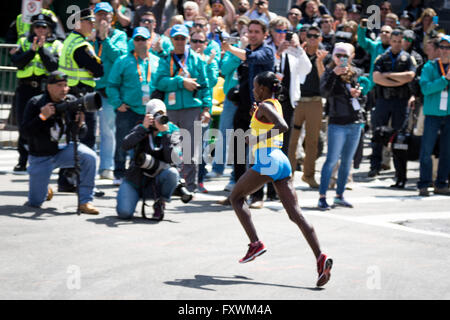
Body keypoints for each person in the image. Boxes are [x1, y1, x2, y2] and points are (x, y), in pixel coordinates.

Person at [229, 71, 333, 287]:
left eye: (256, 86)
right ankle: (320, 257)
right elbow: (267, 122)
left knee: (236, 198)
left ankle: (255, 243)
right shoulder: (272, 104)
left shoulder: (266, 106)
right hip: (281, 161)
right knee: (296, 214)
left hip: (268, 160)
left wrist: (257, 137)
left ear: (264, 89)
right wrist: (255, 117)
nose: (254, 90)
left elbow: (283, 127)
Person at [21, 71, 99, 214]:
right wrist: (42, 117)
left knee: (90, 157)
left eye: (65, 85)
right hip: (41, 155)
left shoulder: (71, 101)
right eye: (59, 85)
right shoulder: (36, 103)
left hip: (63, 150)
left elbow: (81, 135)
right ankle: (45, 191)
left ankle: (85, 201)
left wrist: (81, 124)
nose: (64, 89)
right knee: (35, 202)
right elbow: (25, 133)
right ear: (49, 87)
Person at [221, 19, 274, 208]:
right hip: (242, 109)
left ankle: (258, 196)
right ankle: (237, 194)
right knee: (237, 154)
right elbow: (228, 70)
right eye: (250, 31)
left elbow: (251, 57)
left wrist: (230, 48)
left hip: (261, 112)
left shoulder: (267, 51)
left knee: (257, 155)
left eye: (257, 32)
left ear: (264, 34)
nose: (252, 34)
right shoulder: (244, 52)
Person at [154, 24, 212, 193]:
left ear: (187, 40)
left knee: (191, 151)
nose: (179, 41)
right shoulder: (166, 59)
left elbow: (205, 87)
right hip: (170, 110)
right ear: (171, 40)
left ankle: (190, 188)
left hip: (192, 110)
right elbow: (159, 82)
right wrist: (181, 82)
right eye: (176, 38)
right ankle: (171, 186)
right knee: (169, 148)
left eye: (182, 38)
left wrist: (206, 108)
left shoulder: (196, 59)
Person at [58, 8, 104, 193]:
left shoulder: (69, 40)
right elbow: (99, 70)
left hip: (73, 95)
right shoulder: (81, 46)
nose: (93, 25)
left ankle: (67, 180)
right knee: (86, 139)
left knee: (73, 138)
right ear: (78, 23)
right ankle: (83, 184)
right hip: (83, 97)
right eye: (89, 22)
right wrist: (98, 64)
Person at [107, 27, 160, 185]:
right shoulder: (123, 60)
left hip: (149, 112)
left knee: (145, 144)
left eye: (143, 39)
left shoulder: (157, 61)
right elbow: (112, 84)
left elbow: (162, 84)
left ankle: (139, 172)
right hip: (128, 109)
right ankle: (119, 173)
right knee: (123, 141)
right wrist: (117, 103)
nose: (140, 42)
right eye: (137, 39)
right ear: (133, 41)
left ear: (149, 41)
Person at [11, 12, 63, 172]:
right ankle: (22, 159)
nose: (40, 29)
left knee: (44, 122)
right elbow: (18, 62)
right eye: (37, 26)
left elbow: (53, 66)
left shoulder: (55, 44)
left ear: (49, 29)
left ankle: (44, 157)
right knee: (23, 123)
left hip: (43, 89)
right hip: (25, 88)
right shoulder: (23, 42)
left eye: (43, 27)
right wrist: (32, 50)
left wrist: (41, 50)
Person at [116, 99, 182, 220]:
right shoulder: (141, 126)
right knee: (124, 213)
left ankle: (160, 202)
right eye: (156, 114)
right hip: (136, 179)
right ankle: (132, 197)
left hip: (158, 179)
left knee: (173, 173)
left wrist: (166, 134)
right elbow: (125, 145)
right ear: (148, 115)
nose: (159, 118)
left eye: (162, 114)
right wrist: (143, 128)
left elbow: (174, 159)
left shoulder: (173, 130)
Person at [317, 43, 363, 210]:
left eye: (345, 56)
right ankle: (322, 197)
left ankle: (339, 195)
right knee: (331, 160)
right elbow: (324, 92)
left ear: (351, 56)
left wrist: (358, 93)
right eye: (338, 55)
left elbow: (362, 96)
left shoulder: (356, 73)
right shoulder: (329, 73)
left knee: (347, 161)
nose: (341, 59)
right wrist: (334, 75)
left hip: (355, 121)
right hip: (337, 122)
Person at [370, 29, 417, 186]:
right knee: (377, 134)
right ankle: (374, 166)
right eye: (394, 41)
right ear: (390, 41)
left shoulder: (408, 58)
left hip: (400, 101)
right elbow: (376, 78)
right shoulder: (382, 57)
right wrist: (398, 80)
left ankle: (399, 173)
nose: (397, 44)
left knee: (399, 138)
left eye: (399, 41)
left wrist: (388, 75)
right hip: (383, 100)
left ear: (403, 41)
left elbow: (410, 76)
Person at [287, 25, 329, 189]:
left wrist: (319, 62)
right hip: (297, 100)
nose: (311, 38)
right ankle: (288, 175)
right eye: (309, 35)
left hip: (315, 101)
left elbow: (324, 79)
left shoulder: (324, 55)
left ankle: (309, 175)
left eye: (315, 36)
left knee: (312, 141)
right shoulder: (296, 52)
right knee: (292, 139)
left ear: (320, 38)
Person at [91, 2, 128, 181]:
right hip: (90, 88)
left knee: (107, 130)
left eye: (106, 15)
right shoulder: (89, 34)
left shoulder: (119, 35)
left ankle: (107, 167)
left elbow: (118, 58)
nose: (102, 18)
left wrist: (105, 39)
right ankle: (88, 166)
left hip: (108, 90)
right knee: (88, 130)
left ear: (112, 17)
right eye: (99, 15)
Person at [417, 35, 450, 196]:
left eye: (448, 48)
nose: (444, 51)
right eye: (442, 47)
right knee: (426, 150)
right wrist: (444, 80)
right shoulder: (429, 67)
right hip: (432, 114)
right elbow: (425, 89)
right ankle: (424, 183)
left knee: (447, 151)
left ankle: (441, 183)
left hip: (449, 115)